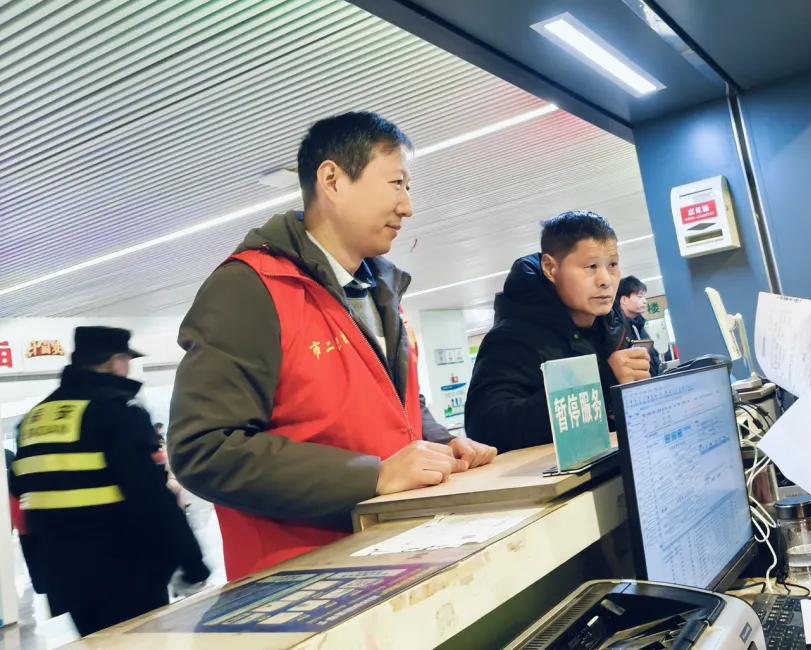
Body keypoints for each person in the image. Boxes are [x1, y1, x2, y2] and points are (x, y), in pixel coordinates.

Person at [169, 111, 496, 581]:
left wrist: (443, 444)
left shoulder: (380, 291)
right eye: (397, 183)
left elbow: (396, 402)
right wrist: (373, 476)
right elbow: (204, 449)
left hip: (394, 554)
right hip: (305, 580)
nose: (408, 206)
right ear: (333, 180)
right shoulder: (251, 288)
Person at [11, 327, 209, 636]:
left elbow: (24, 503)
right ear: (116, 362)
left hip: (66, 576)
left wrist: (43, 576)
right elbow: (149, 497)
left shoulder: (33, 420)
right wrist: (191, 561)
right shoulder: (115, 411)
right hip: (126, 570)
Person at [465, 211, 652, 452]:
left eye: (612, 265)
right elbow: (485, 428)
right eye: (591, 266)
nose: (605, 280)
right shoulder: (512, 338)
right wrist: (601, 382)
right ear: (550, 268)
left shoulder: (614, 326)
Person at [613, 275, 662, 377]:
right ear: (624, 300)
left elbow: (652, 355)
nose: (645, 301)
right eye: (640, 297)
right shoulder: (615, 328)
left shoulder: (638, 325)